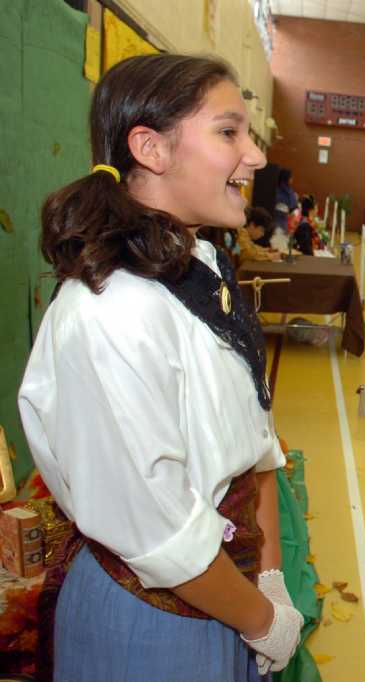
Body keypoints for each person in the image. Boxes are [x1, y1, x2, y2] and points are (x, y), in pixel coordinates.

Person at [18, 54, 303, 680]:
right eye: (229, 133)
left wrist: (273, 582)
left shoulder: (201, 270)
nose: (254, 156)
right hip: (154, 622)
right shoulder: (110, 313)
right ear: (150, 148)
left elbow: (253, 444)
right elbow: (158, 534)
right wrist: (263, 619)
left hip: (232, 595)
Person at [274, 167, 298, 232]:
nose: (292, 179)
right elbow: (294, 208)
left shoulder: (274, 189)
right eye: (291, 177)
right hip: (282, 223)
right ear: (288, 178)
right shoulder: (290, 192)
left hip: (272, 222)